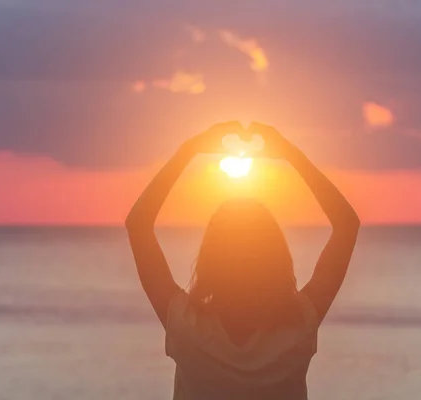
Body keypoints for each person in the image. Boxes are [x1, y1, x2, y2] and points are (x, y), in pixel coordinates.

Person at [125, 121, 360, 399]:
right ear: (277, 261)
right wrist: (291, 155)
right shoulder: (296, 327)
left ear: (210, 262)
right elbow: (347, 225)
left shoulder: (188, 326)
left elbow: (138, 225)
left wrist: (188, 151)